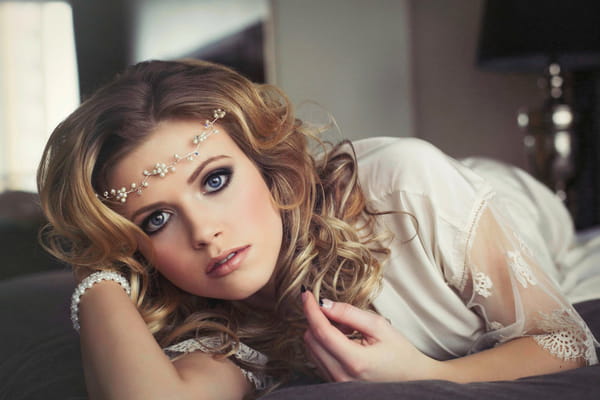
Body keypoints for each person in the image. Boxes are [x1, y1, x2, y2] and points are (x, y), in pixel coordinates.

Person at [37, 59, 599, 399]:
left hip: (500, 201)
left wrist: (420, 375)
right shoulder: (216, 326)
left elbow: (571, 342)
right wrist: (98, 271)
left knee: (560, 221)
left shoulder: (404, 185)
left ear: (264, 162)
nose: (205, 233)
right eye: (156, 219)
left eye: (215, 180)